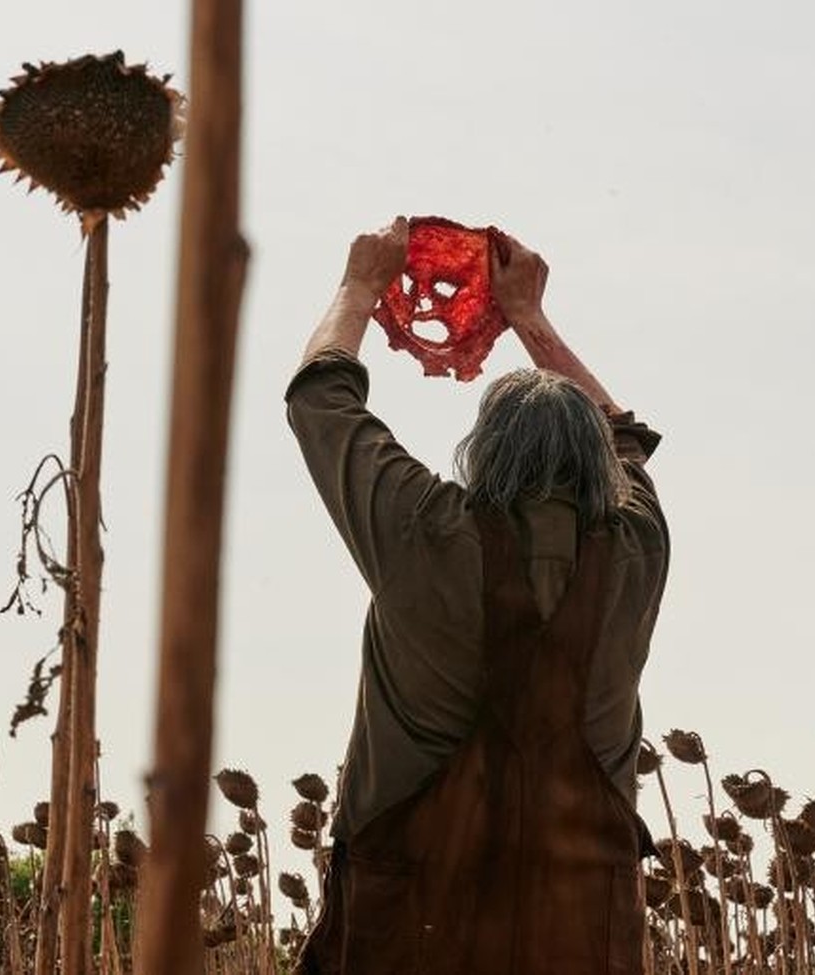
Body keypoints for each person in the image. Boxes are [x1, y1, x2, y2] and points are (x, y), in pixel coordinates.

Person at [286, 217, 670, 974]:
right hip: (581, 940)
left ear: (481, 455)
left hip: (411, 934)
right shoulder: (637, 549)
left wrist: (360, 285)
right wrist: (530, 318)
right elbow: (625, 433)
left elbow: (321, 402)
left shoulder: (425, 529)